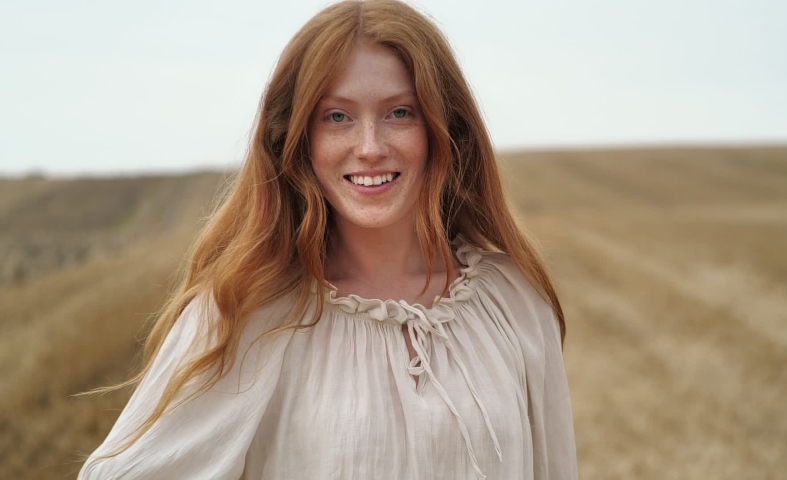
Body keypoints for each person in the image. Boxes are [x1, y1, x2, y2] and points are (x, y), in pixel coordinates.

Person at [78, 0, 578, 478]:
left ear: (441, 128)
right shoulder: (245, 312)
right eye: (337, 117)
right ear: (298, 142)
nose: (370, 147)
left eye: (399, 112)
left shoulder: (512, 302)